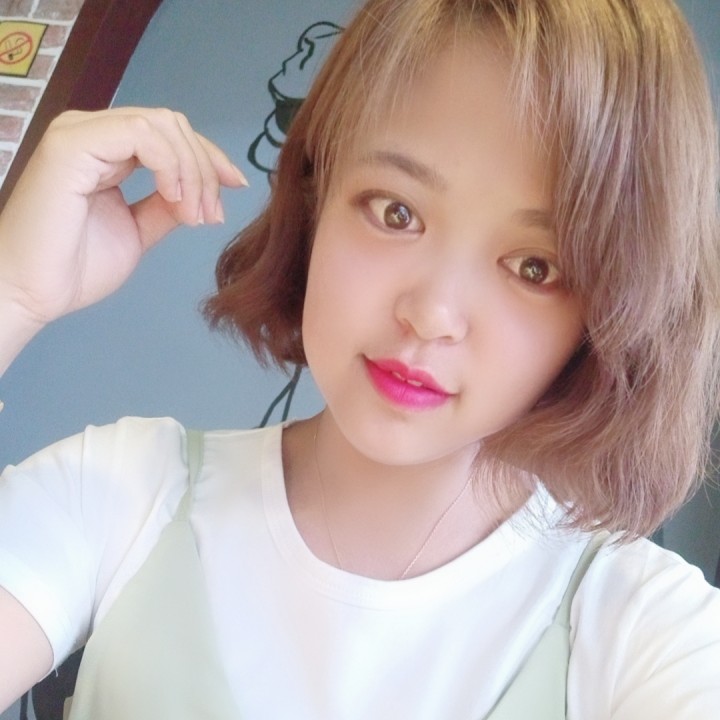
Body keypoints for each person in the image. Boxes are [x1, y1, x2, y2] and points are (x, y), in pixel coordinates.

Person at [1, 0, 719, 717]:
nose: (432, 314)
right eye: (395, 211)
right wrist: (13, 293)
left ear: (606, 313)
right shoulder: (125, 494)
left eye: (535, 266)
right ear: (316, 197)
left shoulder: (641, 630)